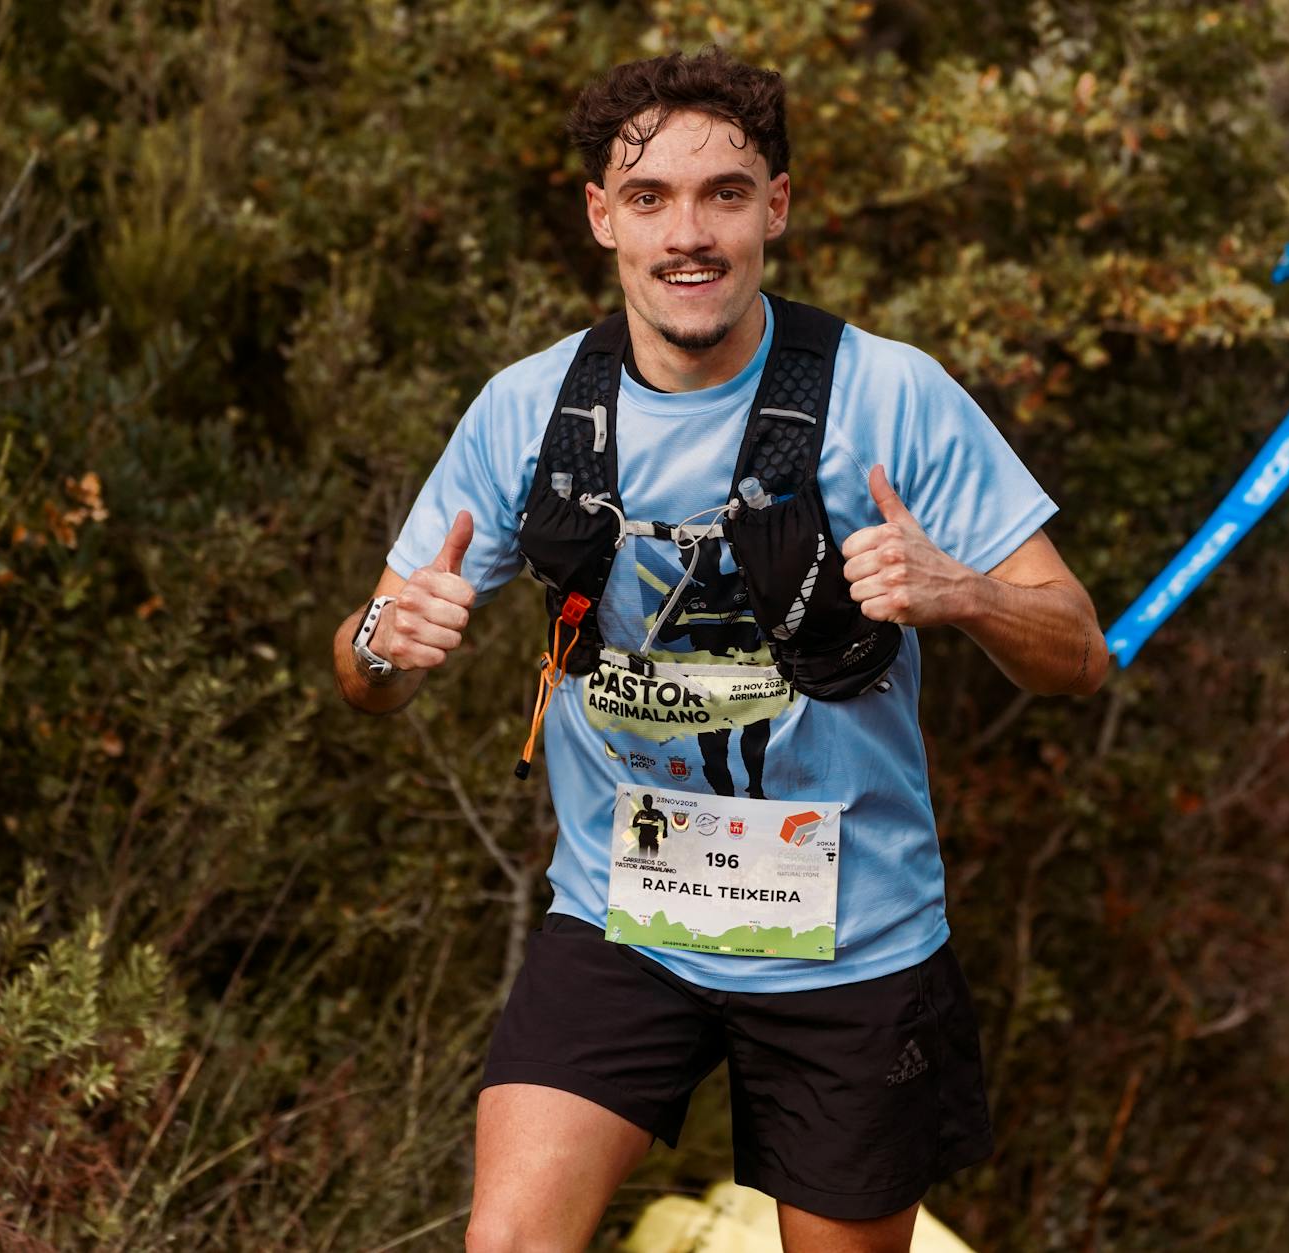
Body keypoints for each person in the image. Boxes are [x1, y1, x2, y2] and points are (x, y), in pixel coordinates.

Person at [330, 47, 1107, 1253]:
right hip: (621, 916)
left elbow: (1076, 651)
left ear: (775, 208)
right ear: (602, 217)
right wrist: (388, 639)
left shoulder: (890, 398)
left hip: (848, 941)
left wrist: (964, 595)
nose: (687, 232)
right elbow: (360, 670)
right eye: (649, 198)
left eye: (724, 193)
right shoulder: (527, 410)